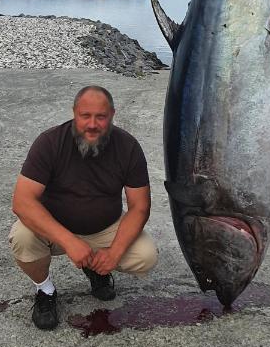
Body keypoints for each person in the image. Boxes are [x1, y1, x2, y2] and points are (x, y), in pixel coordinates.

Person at [9, 85, 158, 330]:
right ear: (74, 113)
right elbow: (22, 201)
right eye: (85, 116)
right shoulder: (49, 142)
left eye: (100, 116)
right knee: (22, 237)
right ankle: (45, 290)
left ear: (112, 114)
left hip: (105, 227)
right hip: (55, 229)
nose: (92, 124)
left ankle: (97, 268)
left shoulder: (128, 146)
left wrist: (114, 254)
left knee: (146, 256)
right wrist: (69, 241)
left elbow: (139, 207)